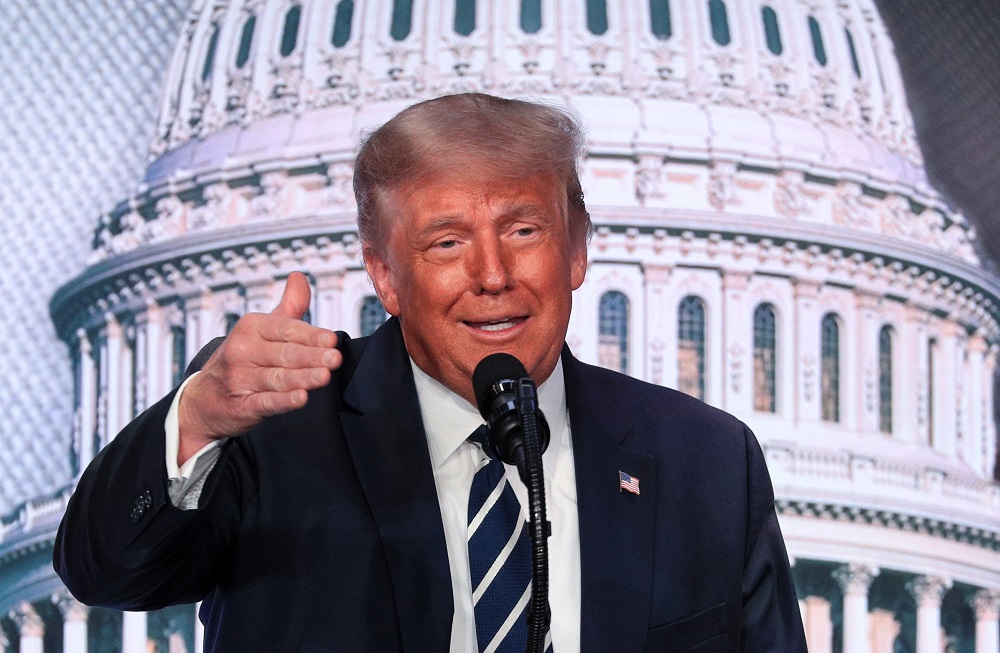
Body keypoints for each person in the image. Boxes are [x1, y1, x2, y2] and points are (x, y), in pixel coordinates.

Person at [54, 93, 807, 652]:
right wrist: (197, 419)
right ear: (384, 273)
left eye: (523, 230)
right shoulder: (278, 429)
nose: (492, 275)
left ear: (577, 249)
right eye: (446, 243)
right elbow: (105, 573)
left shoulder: (706, 462)